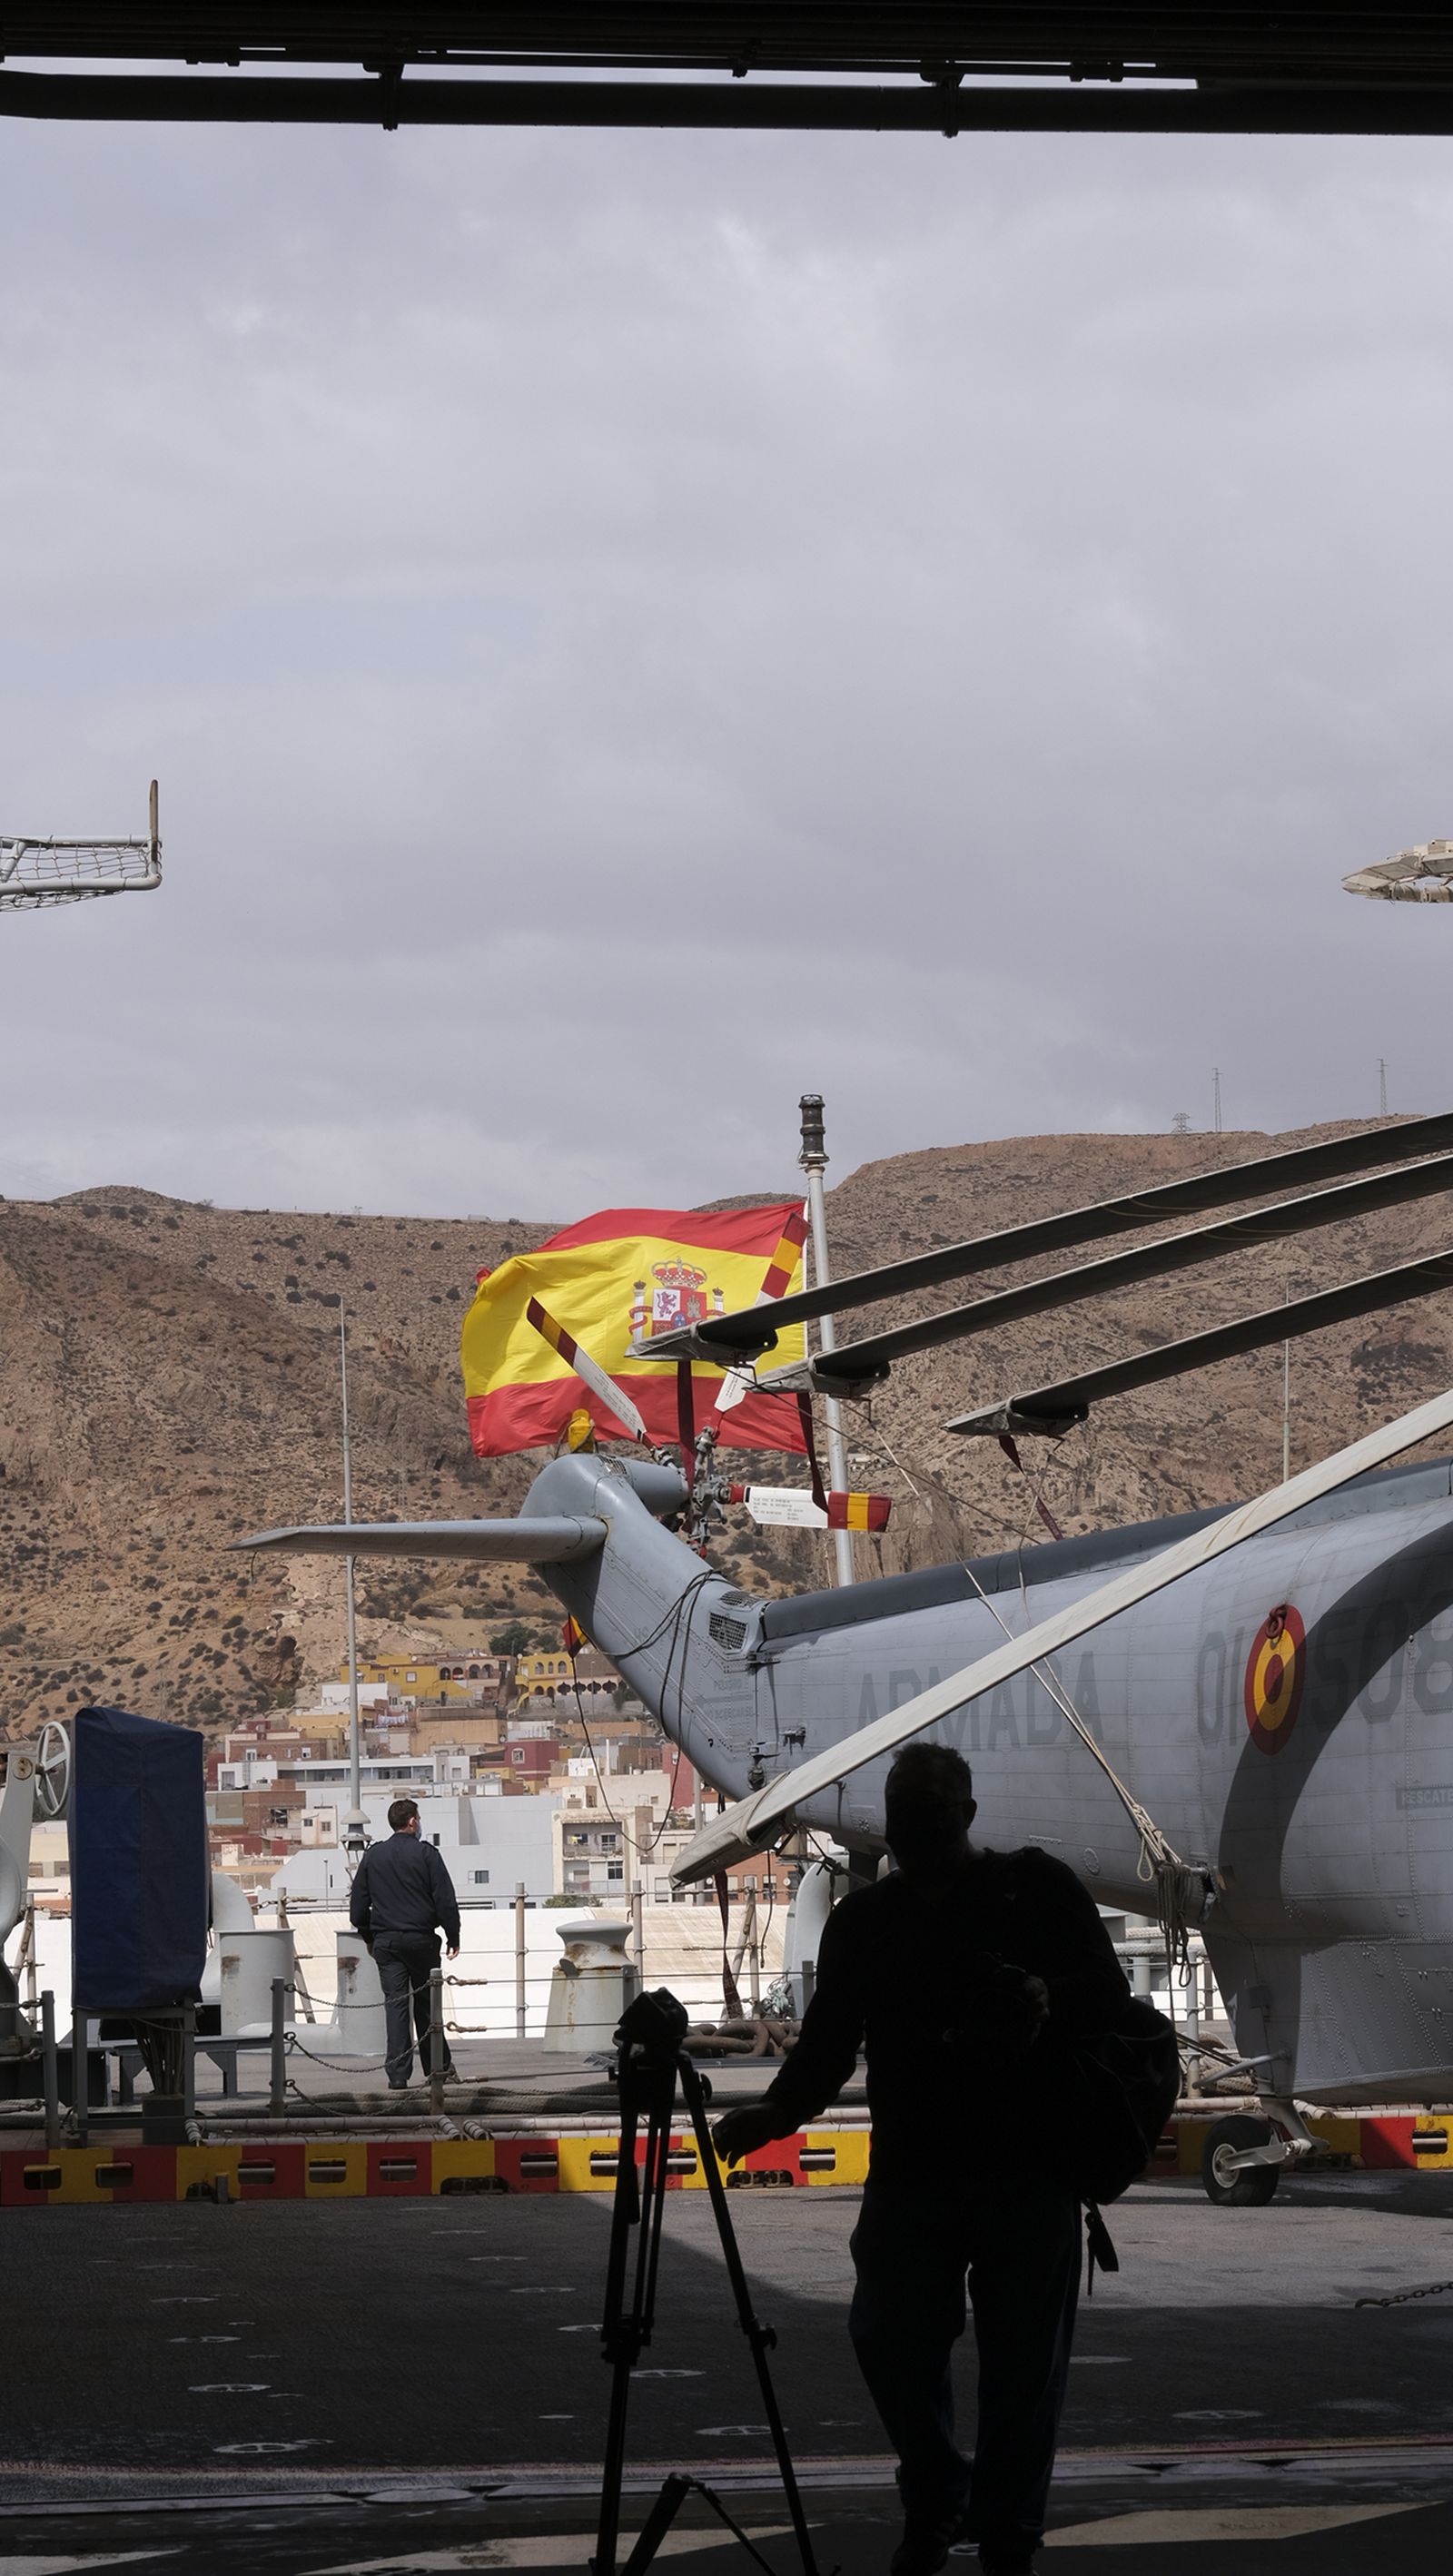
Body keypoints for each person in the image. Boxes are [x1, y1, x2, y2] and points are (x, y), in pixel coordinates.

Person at [712, 1742, 1129, 2576]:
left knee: (1022, 2371)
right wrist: (777, 2110)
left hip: (1028, 2167)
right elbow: (829, 2043)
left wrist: (1047, 2000)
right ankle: (942, 2496)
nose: (915, 1826)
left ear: (968, 1813)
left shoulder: (1034, 1889)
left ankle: (1000, 2532)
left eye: (931, 1809)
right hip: (917, 2174)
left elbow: (1111, 2000)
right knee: (891, 2338)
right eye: (904, 1810)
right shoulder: (866, 1923)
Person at [350, 1798, 461, 2091]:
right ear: (412, 1821)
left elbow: (358, 1907)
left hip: (386, 1942)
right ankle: (438, 2067)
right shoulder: (427, 1855)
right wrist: (453, 1935)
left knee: (396, 2007)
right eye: (418, 1818)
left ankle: (398, 2076)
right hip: (421, 1940)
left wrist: (368, 1937)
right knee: (426, 2007)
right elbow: (445, 1900)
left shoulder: (373, 1857)